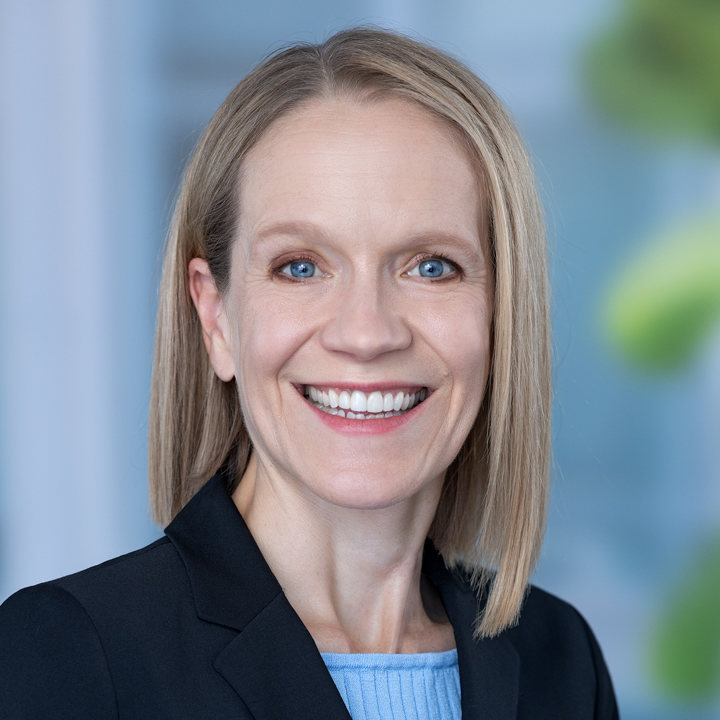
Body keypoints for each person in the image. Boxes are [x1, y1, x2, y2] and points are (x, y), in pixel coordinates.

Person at [0, 27, 619, 719]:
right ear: (216, 318)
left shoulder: (560, 661)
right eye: (300, 266)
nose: (366, 333)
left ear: (503, 313)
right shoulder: (73, 653)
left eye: (431, 266)